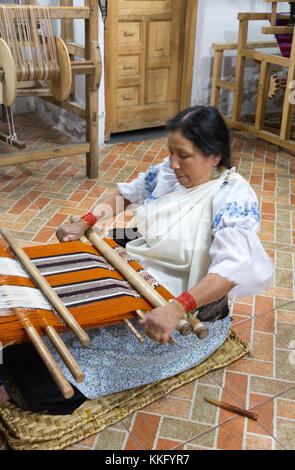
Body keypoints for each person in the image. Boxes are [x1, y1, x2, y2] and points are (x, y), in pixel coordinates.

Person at [0, 106, 274, 414]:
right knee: (59, 310)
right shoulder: (169, 172)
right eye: (170, 152)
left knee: (82, 362)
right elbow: (124, 195)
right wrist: (85, 222)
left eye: (183, 155)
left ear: (214, 155)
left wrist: (176, 307)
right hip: (135, 275)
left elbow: (230, 269)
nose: (173, 163)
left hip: (185, 316)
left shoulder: (234, 199)